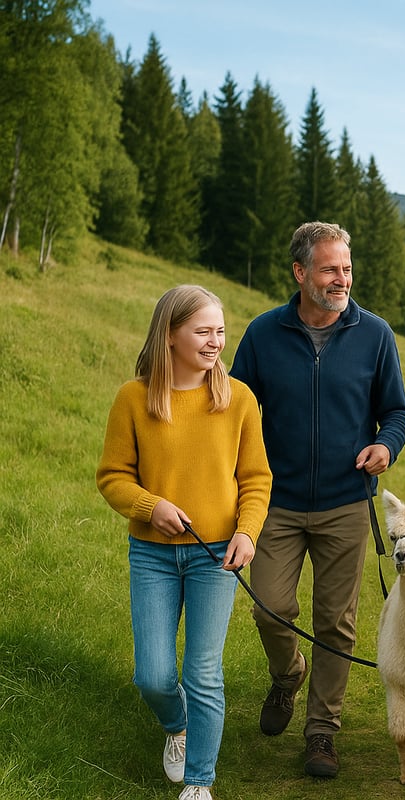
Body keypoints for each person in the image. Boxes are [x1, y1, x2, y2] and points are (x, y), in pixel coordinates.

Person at [229, 221, 405, 778]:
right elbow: (234, 410)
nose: (341, 279)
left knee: (337, 623)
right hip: (276, 503)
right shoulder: (263, 334)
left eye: (347, 269)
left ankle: (321, 733)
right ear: (300, 272)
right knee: (270, 608)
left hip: (344, 503)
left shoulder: (375, 334)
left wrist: (385, 445)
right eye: (331, 268)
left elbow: (398, 412)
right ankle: (288, 676)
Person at [97, 285, 272, 800]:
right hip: (151, 554)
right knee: (152, 675)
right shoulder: (133, 398)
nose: (215, 341)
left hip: (215, 556)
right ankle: (178, 727)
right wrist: (153, 506)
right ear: (170, 335)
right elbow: (112, 477)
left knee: (203, 672)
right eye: (203, 332)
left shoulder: (238, 398)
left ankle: (199, 784)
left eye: (220, 331)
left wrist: (247, 532)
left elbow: (257, 479)